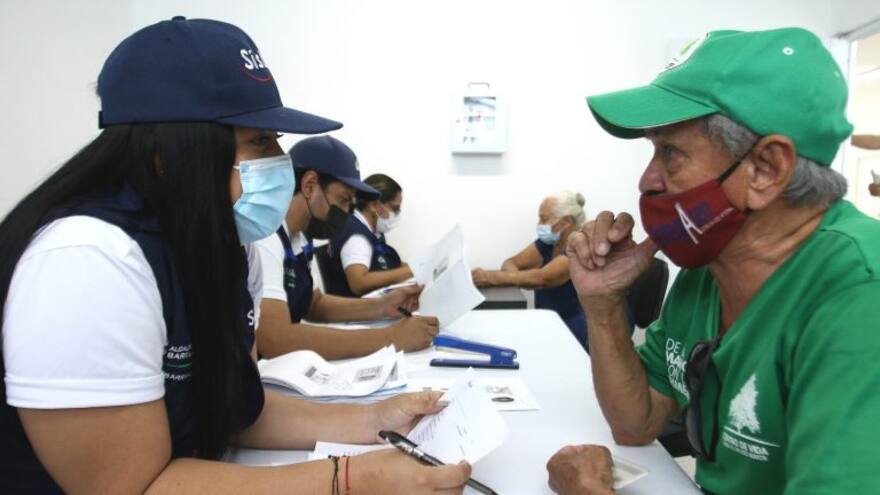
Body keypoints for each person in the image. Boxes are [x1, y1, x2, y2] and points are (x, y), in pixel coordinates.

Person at [0, 17, 469, 493]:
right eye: (259, 142)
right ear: (170, 151)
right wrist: (352, 478)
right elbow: (131, 487)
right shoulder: (88, 263)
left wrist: (376, 420)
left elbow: (237, 409)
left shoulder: (231, 246)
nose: (280, 162)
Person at [548, 28, 880, 494]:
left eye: (671, 152)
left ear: (766, 169)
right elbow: (637, 423)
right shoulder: (708, 273)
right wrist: (602, 309)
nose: (647, 181)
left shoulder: (860, 295)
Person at [255, 136, 438, 359]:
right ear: (309, 185)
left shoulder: (301, 238)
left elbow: (315, 305)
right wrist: (389, 339)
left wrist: (382, 306)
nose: (346, 212)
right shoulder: (265, 237)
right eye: (343, 200)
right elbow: (275, 339)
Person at [472, 191, 595, 349]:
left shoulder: (581, 247)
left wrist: (492, 277)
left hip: (576, 328)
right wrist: (519, 277)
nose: (539, 224)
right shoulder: (548, 243)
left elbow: (543, 279)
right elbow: (510, 262)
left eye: (544, 219)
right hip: (546, 323)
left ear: (566, 222)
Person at [322, 172, 413, 297]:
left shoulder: (373, 233)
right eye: (395, 208)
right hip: (357, 312)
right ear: (374, 205)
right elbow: (359, 283)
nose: (397, 214)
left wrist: (420, 267)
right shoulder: (356, 237)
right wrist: (411, 271)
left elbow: (391, 264)